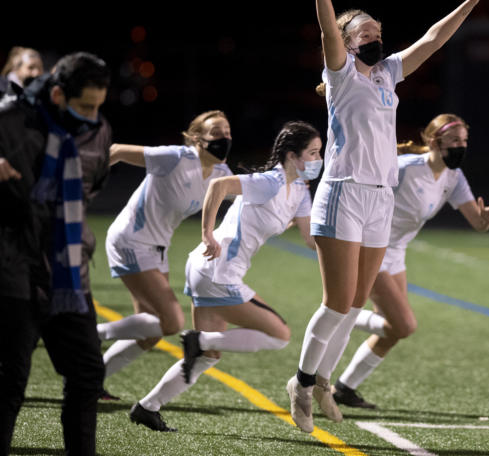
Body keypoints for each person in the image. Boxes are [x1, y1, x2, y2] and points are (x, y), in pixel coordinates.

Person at [286, 0, 487, 433]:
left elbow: (433, 40)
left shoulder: (387, 74)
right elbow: (327, 33)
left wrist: (470, 2)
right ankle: (302, 382)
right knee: (337, 303)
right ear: (351, 42)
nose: (377, 38)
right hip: (342, 193)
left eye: (379, 32)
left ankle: (324, 382)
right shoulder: (341, 76)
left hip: (380, 198)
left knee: (355, 305)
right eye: (367, 35)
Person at [128, 121, 322, 432]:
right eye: (312, 153)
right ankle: (198, 339)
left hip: (209, 270)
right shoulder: (269, 181)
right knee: (279, 335)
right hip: (216, 269)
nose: (317, 159)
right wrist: (207, 233)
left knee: (207, 357)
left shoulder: (299, 191)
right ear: (291, 156)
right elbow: (220, 187)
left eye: (319, 153)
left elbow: (312, 238)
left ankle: (147, 408)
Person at [331, 114, 489, 409]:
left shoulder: (453, 177)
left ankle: (344, 388)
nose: (461, 146)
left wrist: (485, 221)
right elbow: (358, 193)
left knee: (394, 332)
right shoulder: (405, 168)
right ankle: (334, 316)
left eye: (464, 141)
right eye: (454, 141)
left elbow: (477, 223)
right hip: (369, 248)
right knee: (405, 325)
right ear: (436, 142)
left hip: (396, 252)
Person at [0, 52, 111, 456]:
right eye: (85, 106)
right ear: (60, 94)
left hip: (67, 276)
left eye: (99, 106)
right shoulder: (10, 120)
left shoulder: (98, 132)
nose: (93, 116)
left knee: (87, 373)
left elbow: (91, 186)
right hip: (13, 271)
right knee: (10, 381)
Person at [96, 111, 233, 387]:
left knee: (149, 332)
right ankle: (88, 334)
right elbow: (117, 151)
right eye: (216, 133)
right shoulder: (175, 158)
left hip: (157, 250)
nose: (225, 139)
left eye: (228, 133)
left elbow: (252, 195)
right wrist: (83, 184)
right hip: (130, 240)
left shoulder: (221, 173)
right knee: (170, 322)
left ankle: (90, 382)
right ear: (197, 139)